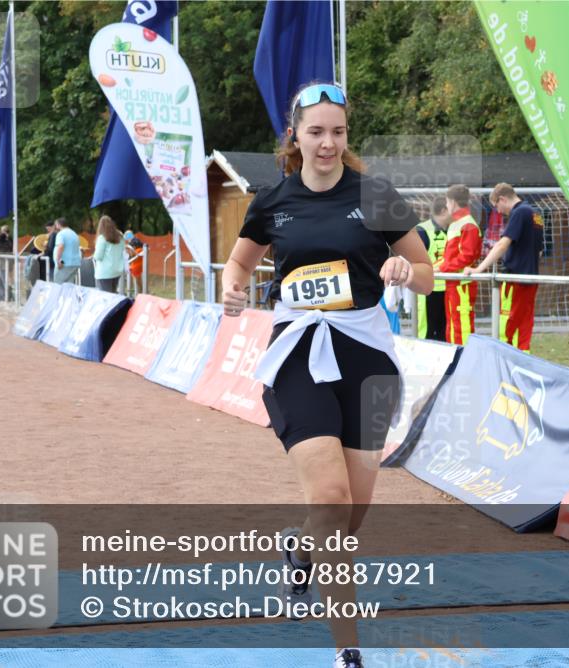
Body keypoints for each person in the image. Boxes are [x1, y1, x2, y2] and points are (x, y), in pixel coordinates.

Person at [221, 82, 432, 668]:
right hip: (297, 358)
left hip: (367, 361)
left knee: (349, 515)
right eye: (316, 131)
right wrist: (232, 289)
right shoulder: (272, 200)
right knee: (333, 501)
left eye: (337, 132)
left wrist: (401, 268)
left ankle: (303, 552)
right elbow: (240, 261)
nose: (328, 143)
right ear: (295, 135)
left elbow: (426, 274)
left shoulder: (377, 196)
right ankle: (349, 654)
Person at [465, 183, 544, 353]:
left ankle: (508, 363)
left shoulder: (520, 212)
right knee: (523, 327)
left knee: (508, 327)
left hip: (515, 280)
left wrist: (479, 269)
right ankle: (522, 364)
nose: (498, 212)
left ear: (502, 199)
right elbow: (539, 251)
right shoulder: (535, 213)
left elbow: (502, 244)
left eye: (496, 206)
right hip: (530, 279)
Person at [437, 184, 482, 345]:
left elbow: (467, 257)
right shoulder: (458, 223)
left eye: (447, 202)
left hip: (462, 284)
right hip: (454, 282)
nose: (447, 206)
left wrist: (441, 268)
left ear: (453, 202)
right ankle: (456, 358)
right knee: (453, 323)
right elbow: (450, 256)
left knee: (461, 325)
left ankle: (463, 360)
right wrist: (435, 266)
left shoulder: (467, 224)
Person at [414, 196, 449, 341]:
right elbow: (413, 260)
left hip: (448, 288)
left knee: (444, 333)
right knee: (428, 332)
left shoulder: (452, 229)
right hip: (428, 290)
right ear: (443, 210)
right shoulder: (422, 230)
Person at [92, 215, 126, 293]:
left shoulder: (102, 238)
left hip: (104, 273)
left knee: (105, 299)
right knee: (112, 296)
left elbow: (98, 256)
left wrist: (94, 255)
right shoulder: (120, 237)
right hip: (116, 271)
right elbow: (123, 250)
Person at [52, 218, 81, 284]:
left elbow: (60, 246)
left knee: (58, 286)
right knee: (69, 287)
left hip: (64, 263)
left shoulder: (61, 234)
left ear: (59, 225)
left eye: (56, 224)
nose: (56, 226)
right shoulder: (74, 234)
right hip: (75, 263)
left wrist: (58, 260)